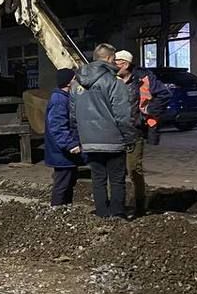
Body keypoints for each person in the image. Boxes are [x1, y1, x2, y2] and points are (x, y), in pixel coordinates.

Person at [70, 43, 137, 218]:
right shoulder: (114, 82)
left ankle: (101, 212)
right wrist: (129, 138)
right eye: (114, 59)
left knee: (98, 179)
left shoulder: (77, 82)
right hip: (113, 140)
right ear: (109, 58)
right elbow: (122, 114)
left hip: (89, 141)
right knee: (116, 180)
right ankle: (117, 214)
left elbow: (73, 114)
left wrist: (80, 137)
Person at [113, 49, 169, 217]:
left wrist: (147, 111)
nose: (113, 66)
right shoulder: (112, 80)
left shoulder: (143, 78)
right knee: (116, 171)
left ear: (125, 64)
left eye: (115, 63)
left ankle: (139, 207)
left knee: (134, 170)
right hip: (115, 131)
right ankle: (119, 206)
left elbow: (164, 94)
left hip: (134, 131)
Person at [44, 67, 83, 205]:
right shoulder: (59, 99)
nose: (77, 81)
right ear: (68, 83)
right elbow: (57, 125)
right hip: (62, 153)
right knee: (62, 185)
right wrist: (70, 144)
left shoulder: (63, 97)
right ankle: (57, 212)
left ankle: (65, 210)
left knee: (68, 183)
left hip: (63, 153)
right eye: (74, 79)